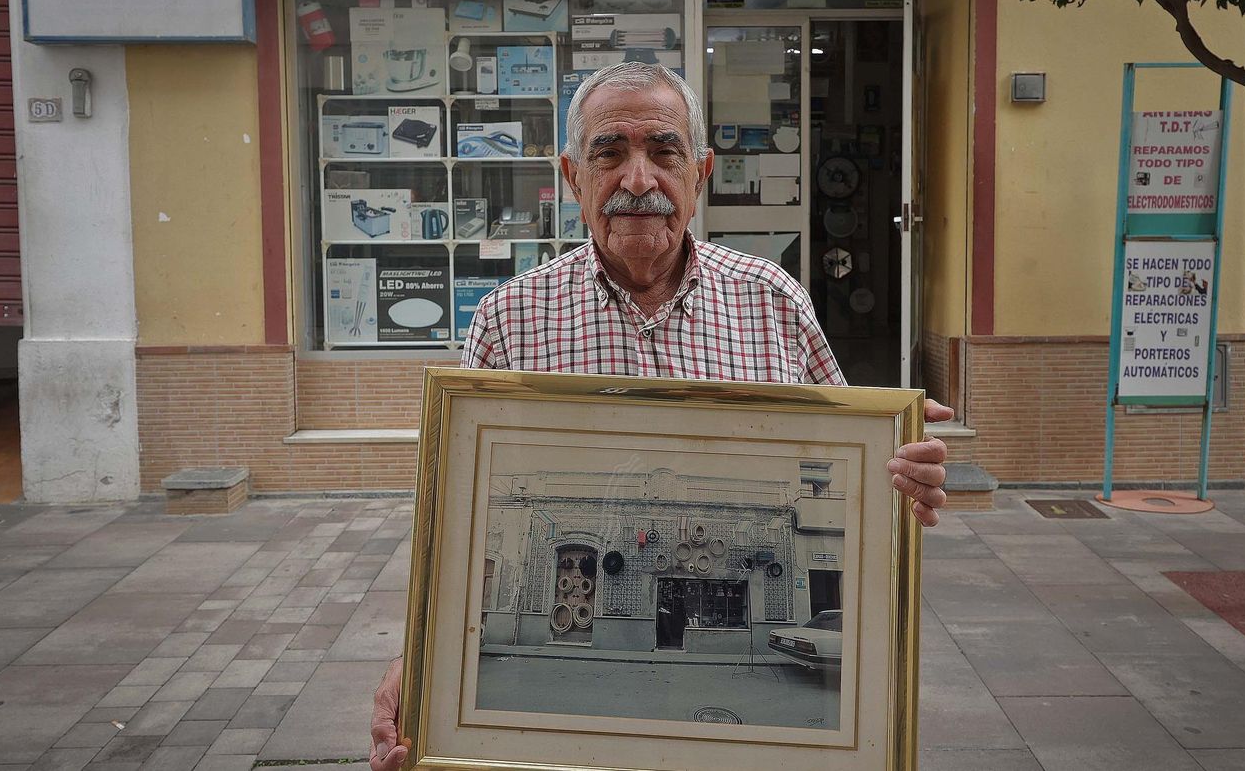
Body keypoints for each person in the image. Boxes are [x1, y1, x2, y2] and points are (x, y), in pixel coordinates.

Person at [370, 62, 952, 771]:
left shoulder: (773, 302)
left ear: (700, 174)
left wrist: (903, 472)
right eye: (609, 153)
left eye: (665, 152)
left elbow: (850, 474)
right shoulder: (508, 321)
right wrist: (423, 660)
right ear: (571, 177)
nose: (639, 180)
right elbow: (460, 526)